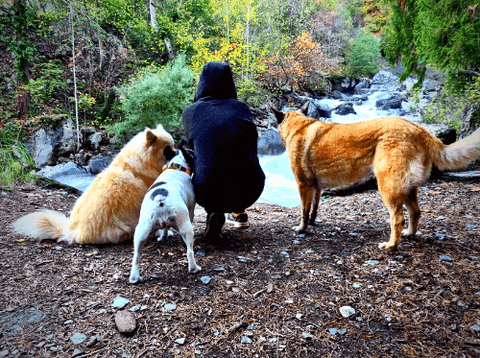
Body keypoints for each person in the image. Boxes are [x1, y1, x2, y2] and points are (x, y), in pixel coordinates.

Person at [182, 61, 265, 241]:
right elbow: (252, 145)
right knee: (241, 155)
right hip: (249, 188)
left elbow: (193, 149)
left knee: (204, 156)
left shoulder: (190, 112)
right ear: (230, 82)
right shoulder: (241, 108)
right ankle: (239, 212)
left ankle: (214, 211)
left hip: (207, 193)